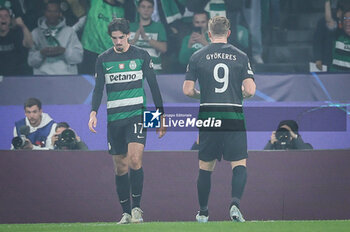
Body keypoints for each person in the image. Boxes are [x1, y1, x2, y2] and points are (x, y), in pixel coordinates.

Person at [88, 18, 166, 224]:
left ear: (128, 35)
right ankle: (125, 212)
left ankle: (138, 209)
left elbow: (154, 86)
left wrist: (160, 116)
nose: (118, 42)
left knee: (134, 160)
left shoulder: (141, 55)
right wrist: (93, 112)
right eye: (114, 38)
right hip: (114, 118)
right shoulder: (103, 59)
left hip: (138, 115)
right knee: (120, 167)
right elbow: (98, 89)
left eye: (121, 37)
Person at [183, 16, 256, 223]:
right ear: (229, 33)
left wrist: (203, 94)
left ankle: (204, 212)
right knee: (239, 163)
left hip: (208, 116)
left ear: (208, 33)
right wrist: (237, 94)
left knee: (205, 167)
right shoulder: (241, 56)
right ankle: (234, 204)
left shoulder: (197, 56)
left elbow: (187, 91)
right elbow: (250, 90)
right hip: (233, 115)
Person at [28, 0, 83, 75]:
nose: (52, 14)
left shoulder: (70, 32)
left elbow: (78, 58)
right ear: (44, 13)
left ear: (60, 14)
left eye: (55, 11)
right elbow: (31, 62)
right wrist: (41, 53)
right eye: (49, 11)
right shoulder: (35, 33)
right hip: (42, 78)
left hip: (66, 77)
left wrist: (64, 51)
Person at [129, 0, 167, 72]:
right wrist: (134, 40)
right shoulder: (130, 27)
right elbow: (122, 50)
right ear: (138, 9)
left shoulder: (159, 27)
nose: (146, 10)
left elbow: (164, 48)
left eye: (149, 7)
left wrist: (147, 38)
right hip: (133, 70)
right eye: (143, 7)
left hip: (154, 69)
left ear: (153, 10)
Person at [0, 7, 33, 76]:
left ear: (10, 19)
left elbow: (29, 44)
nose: (3, 18)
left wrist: (23, 26)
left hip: (17, 76)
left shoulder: (17, 33)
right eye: (0, 16)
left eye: (6, 16)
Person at [330, 6, 350, 72]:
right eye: (345, 18)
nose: (347, 20)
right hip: (336, 79)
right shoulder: (338, 36)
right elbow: (329, 21)